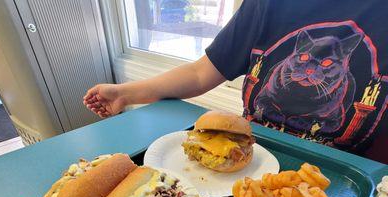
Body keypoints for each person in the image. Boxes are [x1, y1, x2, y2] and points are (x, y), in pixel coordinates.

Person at [84, 0, 388, 164]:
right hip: (250, 154)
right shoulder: (266, 5)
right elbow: (200, 73)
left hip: (343, 174)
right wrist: (125, 93)